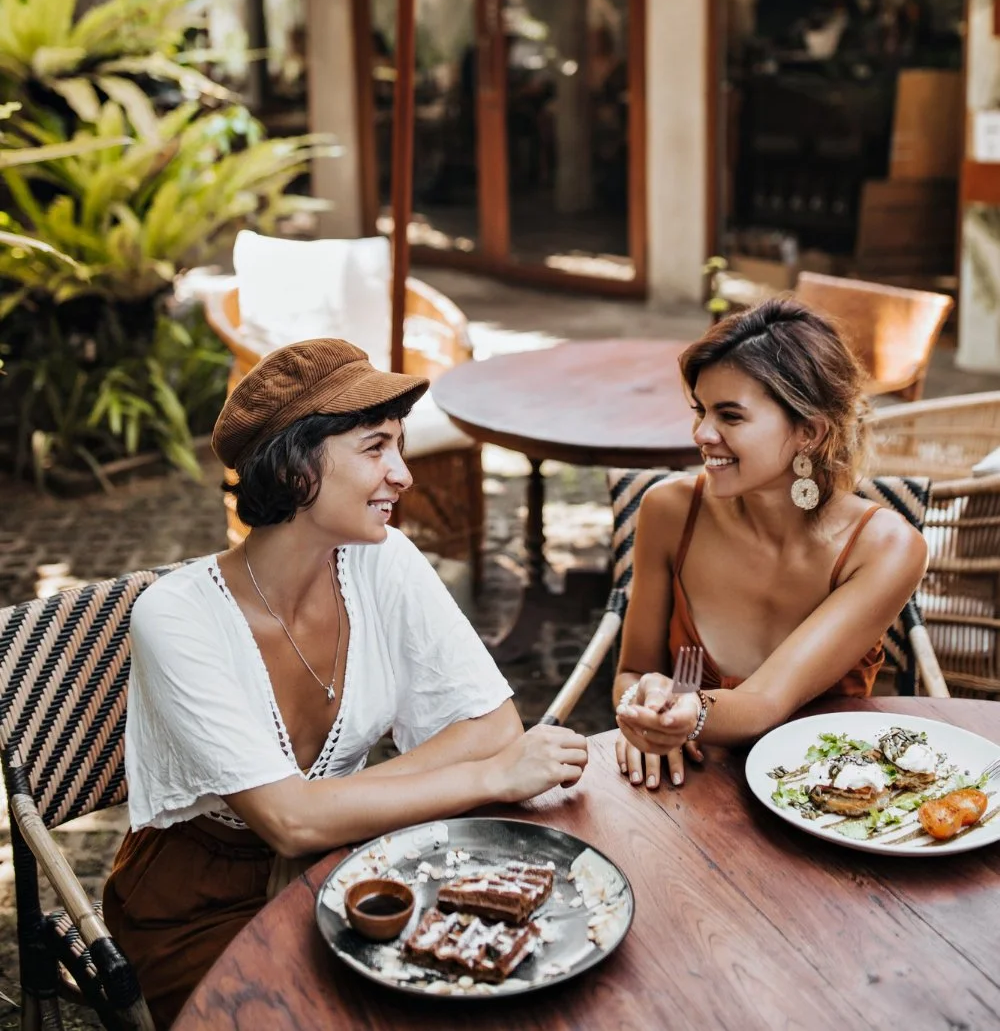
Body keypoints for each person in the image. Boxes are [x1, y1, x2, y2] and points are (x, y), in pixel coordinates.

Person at [103, 338, 587, 1027]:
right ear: (298, 464)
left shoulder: (380, 560)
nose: (403, 475)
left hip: (349, 861)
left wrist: (328, 806)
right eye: (375, 448)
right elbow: (289, 822)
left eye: (399, 446)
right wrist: (492, 779)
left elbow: (492, 727)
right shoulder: (176, 616)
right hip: (200, 902)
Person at [614, 297, 927, 791]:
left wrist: (686, 712)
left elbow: (764, 703)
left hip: (827, 802)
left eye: (730, 416)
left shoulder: (884, 549)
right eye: (700, 410)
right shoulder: (669, 511)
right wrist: (641, 719)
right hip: (684, 790)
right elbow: (634, 670)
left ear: (808, 431)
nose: (701, 433)